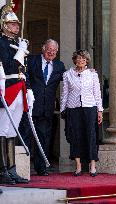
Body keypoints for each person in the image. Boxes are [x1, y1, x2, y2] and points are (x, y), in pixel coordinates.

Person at [19, 39, 65, 176]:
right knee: (25, 135)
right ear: (43, 48)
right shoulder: (32, 60)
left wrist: (85, 72)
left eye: (54, 50)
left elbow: (69, 78)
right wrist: (28, 90)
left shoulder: (59, 65)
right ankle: (22, 168)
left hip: (46, 108)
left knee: (43, 138)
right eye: (49, 49)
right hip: (30, 106)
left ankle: (41, 168)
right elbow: (23, 74)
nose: (51, 52)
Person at [0, 4, 34, 184]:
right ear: (5, 25)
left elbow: (23, 70)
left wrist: (28, 88)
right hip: (8, 89)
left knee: (13, 131)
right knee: (3, 129)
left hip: (20, 88)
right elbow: (8, 66)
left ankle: (12, 168)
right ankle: (3, 168)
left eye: (17, 24)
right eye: (13, 24)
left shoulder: (17, 43)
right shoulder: (2, 43)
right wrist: (20, 50)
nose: (16, 27)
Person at [60, 49, 103, 177]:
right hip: (73, 108)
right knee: (75, 136)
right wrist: (63, 109)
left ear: (87, 61)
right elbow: (65, 93)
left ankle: (92, 165)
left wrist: (99, 110)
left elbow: (97, 93)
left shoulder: (93, 74)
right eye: (79, 58)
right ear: (75, 60)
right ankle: (78, 166)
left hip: (90, 107)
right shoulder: (68, 74)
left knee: (91, 135)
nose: (81, 60)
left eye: (83, 59)